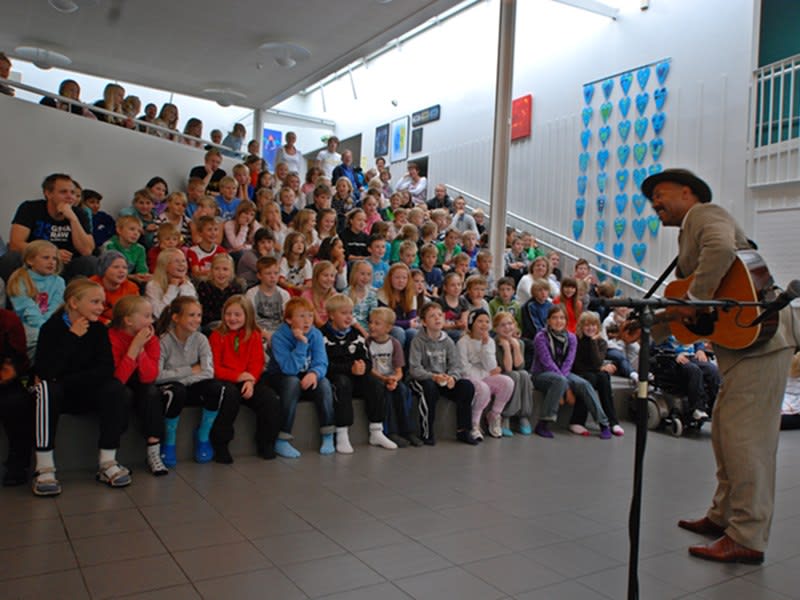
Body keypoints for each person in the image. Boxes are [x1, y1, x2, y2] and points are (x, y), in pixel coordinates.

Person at [641, 169, 795, 563]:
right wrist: (649, 325)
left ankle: (747, 536)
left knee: (747, 444)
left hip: (762, 344)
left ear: (687, 193)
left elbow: (721, 251)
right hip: (741, 347)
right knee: (726, 435)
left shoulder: (706, 215)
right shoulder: (688, 235)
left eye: (660, 194)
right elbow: (691, 310)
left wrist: (694, 300)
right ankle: (724, 515)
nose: (654, 203)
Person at [31, 279, 132, 496]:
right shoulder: (51, 328)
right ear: (74, 303)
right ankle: (44, 468)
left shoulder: (99, 329)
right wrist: (72, 337)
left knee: (115, 388)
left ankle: (107, 461)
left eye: (102, 302)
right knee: (46, 389)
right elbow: (46, 371)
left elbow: (105, 369)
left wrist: (64, 379)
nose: (100, 307)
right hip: (60, 395)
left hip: (84, 390)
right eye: (95, 302)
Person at [155, 296, 228, 468]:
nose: (197, 320)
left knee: (216, 388)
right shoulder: (163, 341)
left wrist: (182, 379)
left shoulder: (201, 339)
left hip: (191, 385)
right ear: (176, 317)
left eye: (199, 315)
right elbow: (157, 376)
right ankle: (169, 441)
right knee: (177, 391)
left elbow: (208, 371)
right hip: (172, 389)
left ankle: (203, 435)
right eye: (191, 315)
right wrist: (189, 370)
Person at [321, 294, 397, 452]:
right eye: (344, 313)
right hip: (336, 377)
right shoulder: (322, 336)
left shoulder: (356, 335)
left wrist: (363, 367)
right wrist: (350, 368)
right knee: (342, 383)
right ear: (331, 315)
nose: (349, 317)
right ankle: (342, 433)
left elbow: (368, 361)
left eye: (351, 313)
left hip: (356, 376)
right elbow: (324, 365)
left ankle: (376, 430)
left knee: (375, 383)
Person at [209, 295, 280, 461]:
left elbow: (257, 363)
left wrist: (250, 381)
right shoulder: (216, 335)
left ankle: (266, 443)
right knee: (230, 396)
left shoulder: (254, 335)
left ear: (247, 316)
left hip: (249, 379)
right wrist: (238, 376)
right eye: (228, 314)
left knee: (270, 399)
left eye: (237, 314)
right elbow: (214, 367)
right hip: (226, 379)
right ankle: (221, 444)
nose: (232, 318)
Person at [265, 297, 336, 458]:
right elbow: (289, 369)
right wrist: (302, 343)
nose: (307, 320)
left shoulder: (316, 334)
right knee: (292, 382)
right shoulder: (279, 337)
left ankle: (328, 435)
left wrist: (314, 373)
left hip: (306, 376)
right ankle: (282, 438)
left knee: (324, 383)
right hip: (281, 377)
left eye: (310, 315)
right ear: (289, 320)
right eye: (301, 316)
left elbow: (321, 362)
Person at [530, 305, 612, 440]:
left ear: (566, 321)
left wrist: (564, 383)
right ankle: (543, 423)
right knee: (559, 381)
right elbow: (547, 363)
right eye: (555, 318)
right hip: (541, 374)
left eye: (562, 318)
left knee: (584, 384)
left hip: (564, 373)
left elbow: (569, 361)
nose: (558, 321)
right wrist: (566, 387)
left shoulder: (572, 338)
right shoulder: (541, 337)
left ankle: (604, 424)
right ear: (548, 320)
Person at [108, 297, 168, 475]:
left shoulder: (151, 339)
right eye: (147, 316)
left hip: (140, 381)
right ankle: (111, 456)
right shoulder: (111, 337)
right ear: (128, 320)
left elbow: (149, 377)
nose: (151, 321)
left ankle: (154, 450)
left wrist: (141, 349)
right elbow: (118, 379)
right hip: (117, 384)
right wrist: (134, 346)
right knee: (123, 393)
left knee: (151, 393)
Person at [1, 173, 96, 282]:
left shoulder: (80, 214)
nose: (70, 196)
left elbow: (87, 251)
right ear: (48, 193)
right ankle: (18, 292)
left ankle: (71, 293)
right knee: (11, 259)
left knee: (90, 262)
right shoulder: (30, 208)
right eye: (63, 192)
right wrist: (53, 254)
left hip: (66, 266)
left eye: (73, 192)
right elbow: (15, 244)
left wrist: (73, 219)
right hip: (34, 264)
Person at [408, 302, 478, 445]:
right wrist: (433, 377)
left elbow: (455, 366)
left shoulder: (448, 341)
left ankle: (463, 431)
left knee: (467, 386)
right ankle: (426, 433)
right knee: (429, 388)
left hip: (442, 379)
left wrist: (452, 377)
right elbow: (415, 369)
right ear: (424, 322)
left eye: (440, 315)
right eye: (432, 316)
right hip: (423, 380)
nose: (437, 318)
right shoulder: (417, 341)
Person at [457, 309, 513, 440]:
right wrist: (486, 373)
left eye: (487, 321)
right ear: (472, 323)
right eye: (480, 321)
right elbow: (463, 368)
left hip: (484, 376)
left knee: (507, 382)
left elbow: (491, 366)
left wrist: (485, 345)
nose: (484, 324)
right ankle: (474, 423)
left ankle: (494, 415)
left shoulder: (490, 342)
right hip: (469, 377)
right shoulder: (463, 342)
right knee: (483, 388)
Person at [7, 241, 64, 359]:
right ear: (30, 260)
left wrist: (48, 327)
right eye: (46, 258)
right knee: (39, 338)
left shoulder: (59, 281)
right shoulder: (20, 280)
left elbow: (56, 308)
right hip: (25, 325)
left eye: (54, 258)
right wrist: (45, 330)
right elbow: (27, 309)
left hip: (50, 323)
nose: (51, 262)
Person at [571, 311, 624, 437]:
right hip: (579, 373)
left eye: (593, 325)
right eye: (587, 325)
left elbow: (598, 361)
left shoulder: (601, 342)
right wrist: (599, 368)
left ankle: (612, 421)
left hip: (593, 372)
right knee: (591, 378)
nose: (591, 328)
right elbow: (578, 365)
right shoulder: (576, 340)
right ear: (581, 326)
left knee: (604, 377)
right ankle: (577, 420)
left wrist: (593, 342)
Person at [0, 308, 32, 486]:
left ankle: (18, 465)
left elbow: (19, 360)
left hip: (6, 380)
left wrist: (10, 369)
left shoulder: (7, 319)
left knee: (16, 403)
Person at [493, 312, 534, 436]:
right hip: (500, 376)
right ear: (496, 329)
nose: (507, 327)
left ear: (515, 325)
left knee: (524, 374)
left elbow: (520, 366)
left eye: (510, 324)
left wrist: (516, 347)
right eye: (502, 325)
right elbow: (508, 368)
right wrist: (506, 348)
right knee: (514, 376)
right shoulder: (494, 343)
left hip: (513, 374)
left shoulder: (519, 343)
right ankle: (506, 416)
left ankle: (523, 415)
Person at [245, 256, 290, 342]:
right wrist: (264, 333)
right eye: (268, 273)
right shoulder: (251, 293)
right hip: (258, 332)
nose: (273, 276)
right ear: (259, 275)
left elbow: (287, 319)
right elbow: (250, 320)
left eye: (276, 273)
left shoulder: (284, 294)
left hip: (279, 333)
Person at [145, 248, 196, 318]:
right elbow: (159, 314)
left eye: (184, 261)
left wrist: (184, 287)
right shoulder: (153, 285)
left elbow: (192, 312)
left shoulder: (187, 284)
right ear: (165, 265)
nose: (182, 264)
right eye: (176, 261)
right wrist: (172, 287)